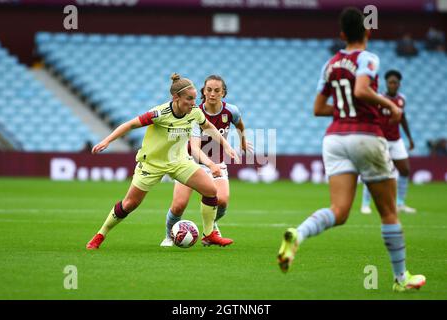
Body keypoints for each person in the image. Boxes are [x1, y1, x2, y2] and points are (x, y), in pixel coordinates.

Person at [277, 7, 426, 292]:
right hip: (366, 136)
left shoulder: (330, 63)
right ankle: (401, 278)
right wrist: (390, 105)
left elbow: (318, 108)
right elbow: (360, 90)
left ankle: (299, 234)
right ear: (368, 31)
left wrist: (345, 110)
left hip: (334, 139)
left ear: (342, 34)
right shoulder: (368, 58)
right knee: (389, 212)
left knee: (339, 210)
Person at [86, 73, 239, 250]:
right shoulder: (160, 113)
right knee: (130, 204)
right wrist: (106, 141)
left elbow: (208, 127)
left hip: (179, 161)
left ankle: (209, 234)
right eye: (189, 99)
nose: (193, 103)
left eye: (195, 99)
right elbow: (130, 125)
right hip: (152, 164)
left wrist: (226, 146)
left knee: (211, 190)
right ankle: (100, 235)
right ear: (176, 97)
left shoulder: (195, 112)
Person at [160, 75, 251, 247]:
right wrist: (210, 164)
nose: (212, 93)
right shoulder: (195, 112)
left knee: (222, 201)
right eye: (209, 90)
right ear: (203, 91)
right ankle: (168, 236)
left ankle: (209, 228)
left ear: (223, 93)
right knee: (179, 205)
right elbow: (195, 148)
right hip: (190, 162)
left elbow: (240, 125)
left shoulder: (231, 111)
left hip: (217, 163)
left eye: (217, 90)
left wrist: (243, 143)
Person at [361, 70, 416, 214]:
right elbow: (371, 117)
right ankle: (365, 204)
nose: (393, 85)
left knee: (405, 170)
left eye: (395, 82)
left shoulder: (401, 99)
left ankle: (400, 203)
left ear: (399, 84)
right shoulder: (378, 98)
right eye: (390, 82)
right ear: (386, 83)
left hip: (396, 140)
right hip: (380, 139)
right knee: (373, 171)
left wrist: (409, 138)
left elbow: (402, 118)